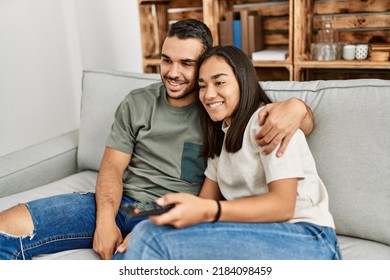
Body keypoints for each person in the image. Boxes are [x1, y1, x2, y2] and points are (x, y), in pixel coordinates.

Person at [0, 19, 313, 260]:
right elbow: (110, 170)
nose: (173, 73)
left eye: (187, 64)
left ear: (206, 64)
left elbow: (280, 121)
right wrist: (105, 220)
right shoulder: (137, 103)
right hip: (119, 203)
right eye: (166, 60)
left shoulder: (217, 108)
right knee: (5, 228)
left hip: (169, 212)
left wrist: (298, 108)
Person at [114, 45, 341, 260]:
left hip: (309, 237)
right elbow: (204, 201)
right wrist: (162, 223)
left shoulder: (268, 123)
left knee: (151, 238)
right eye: (202, 86)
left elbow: (283, 205)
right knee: (142, 236)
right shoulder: (220, 141)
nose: (209, 94)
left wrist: (209, 211)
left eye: (219, 82)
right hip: (259, 233)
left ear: (243, 82)